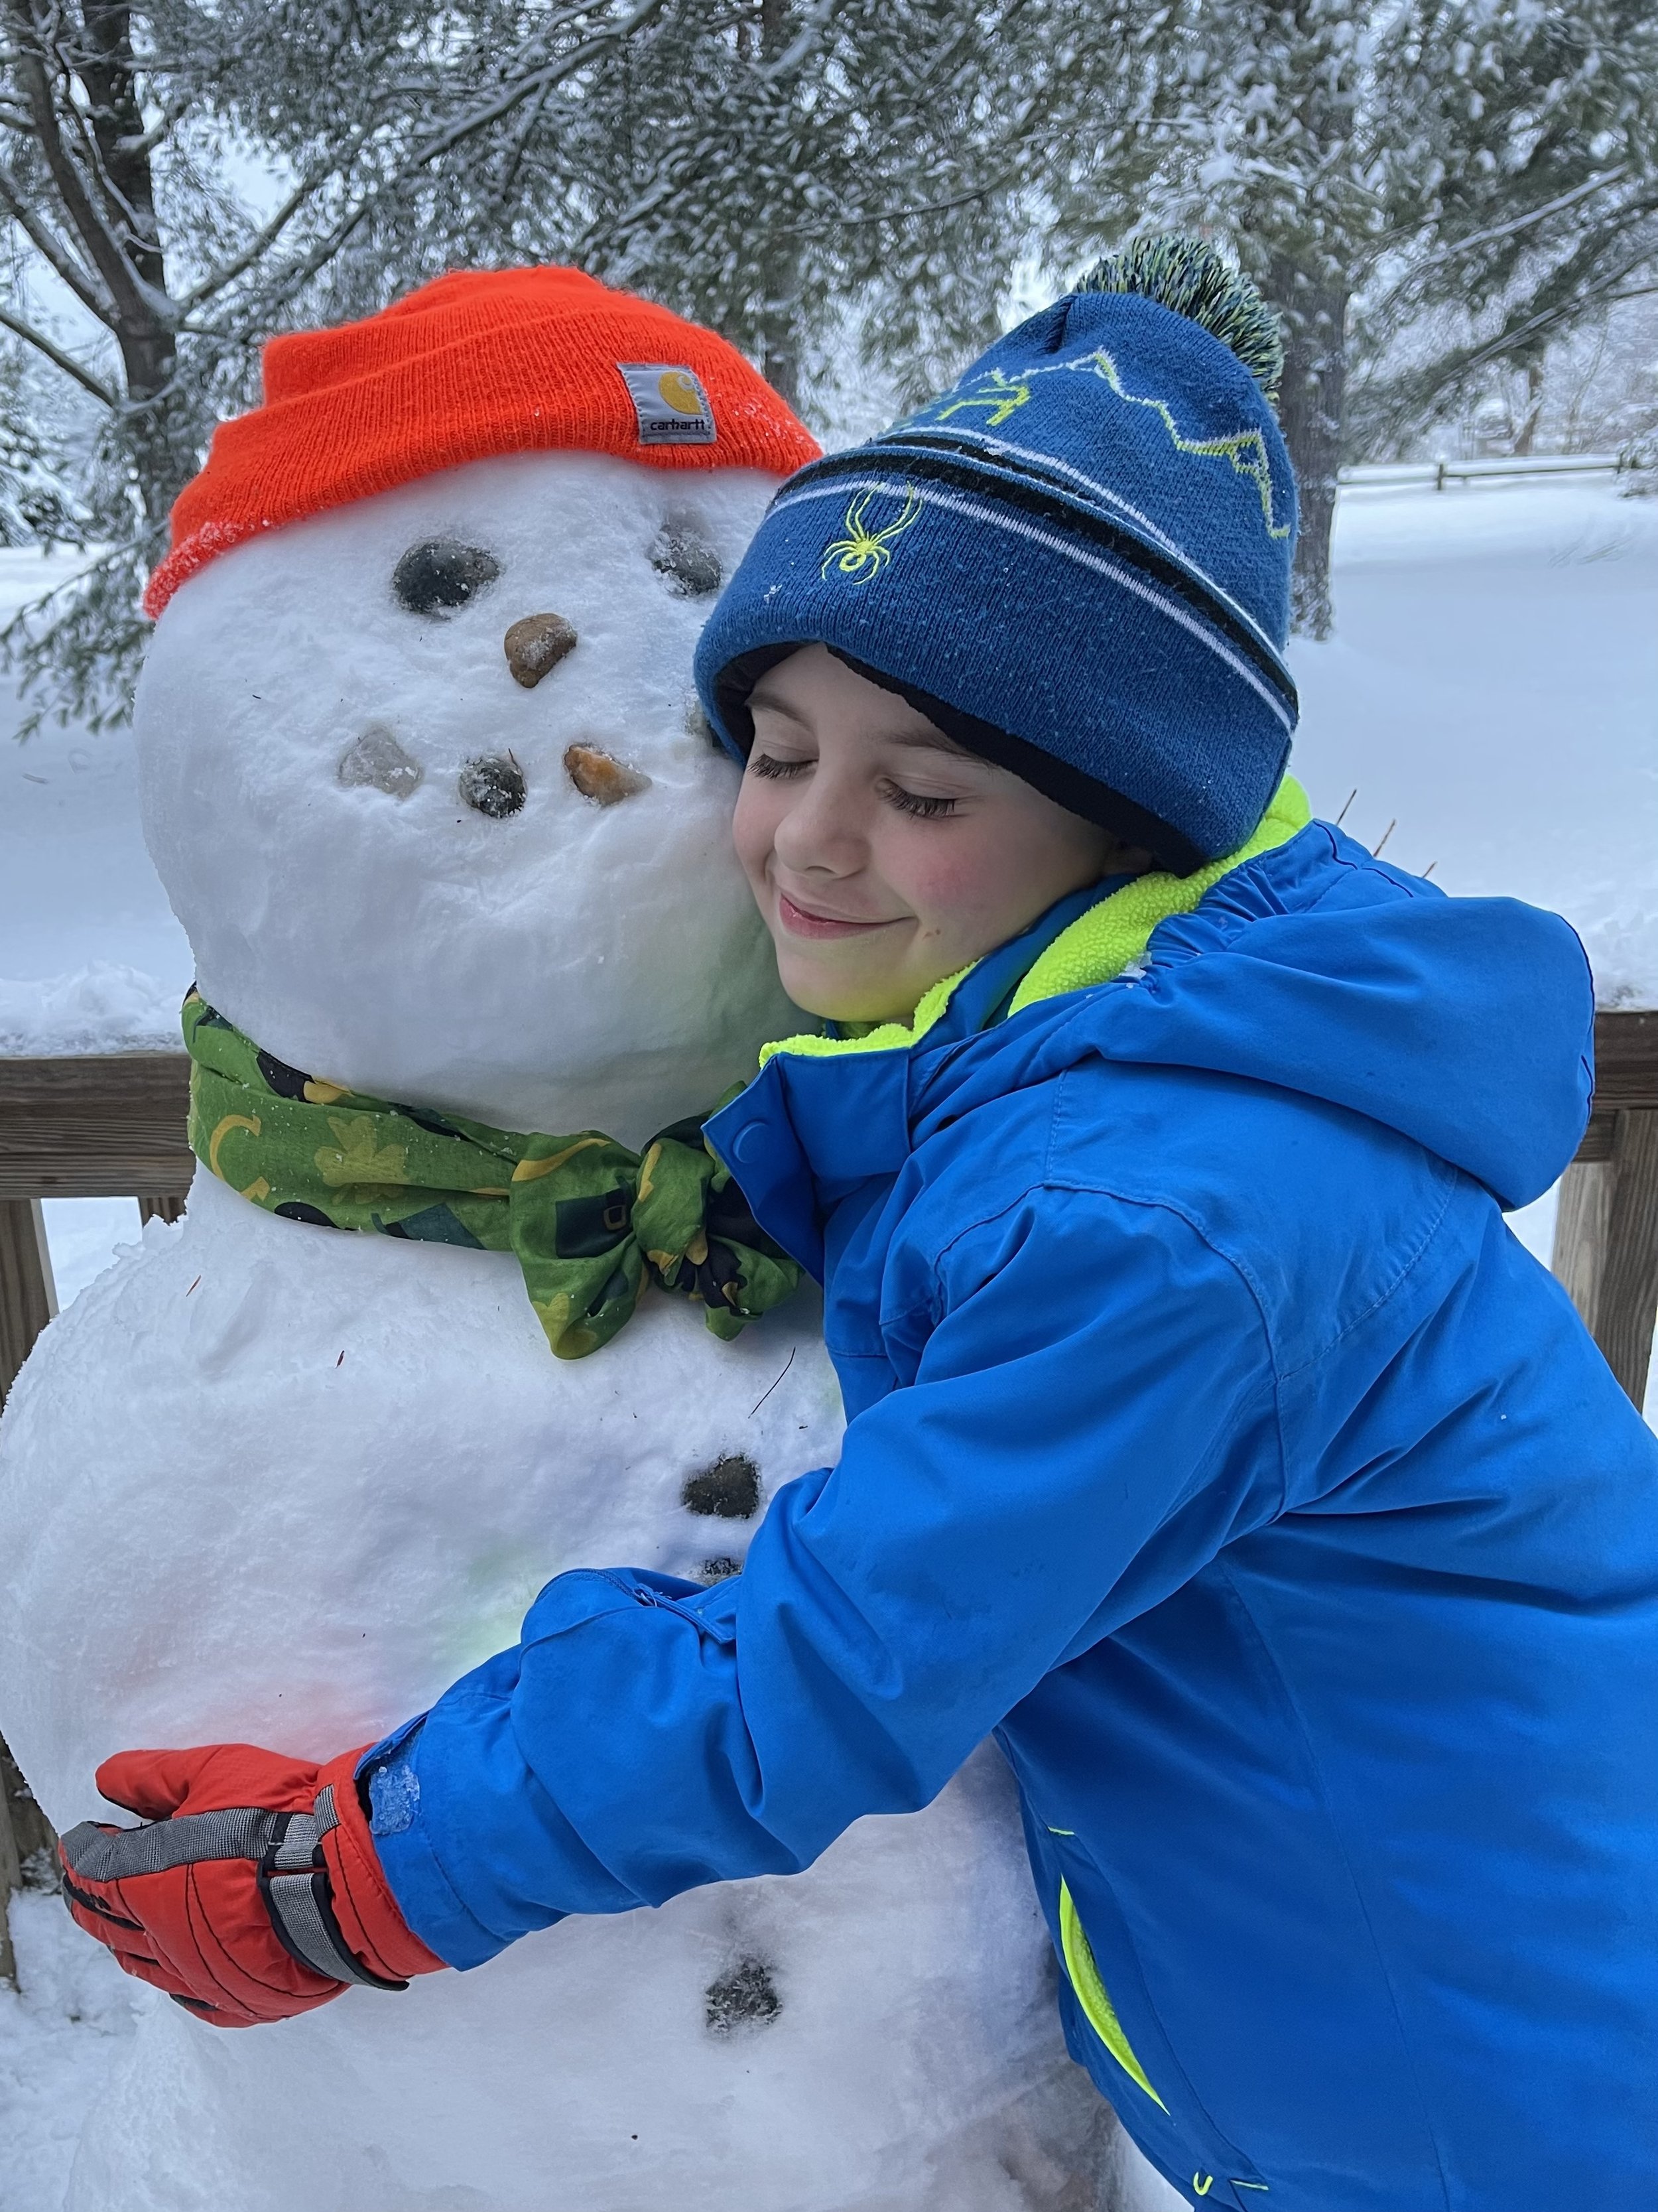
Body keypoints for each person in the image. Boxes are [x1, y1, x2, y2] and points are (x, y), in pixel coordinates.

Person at [62, 240, 1658, 2212]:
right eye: (776, 744)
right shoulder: (1086, 1049)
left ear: (1119, 818)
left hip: (1454, 2091)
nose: (807, 840)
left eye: (922, 789)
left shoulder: (1164, 1219)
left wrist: (353, 1877)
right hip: (1380, 1990)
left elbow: (830, 1669)